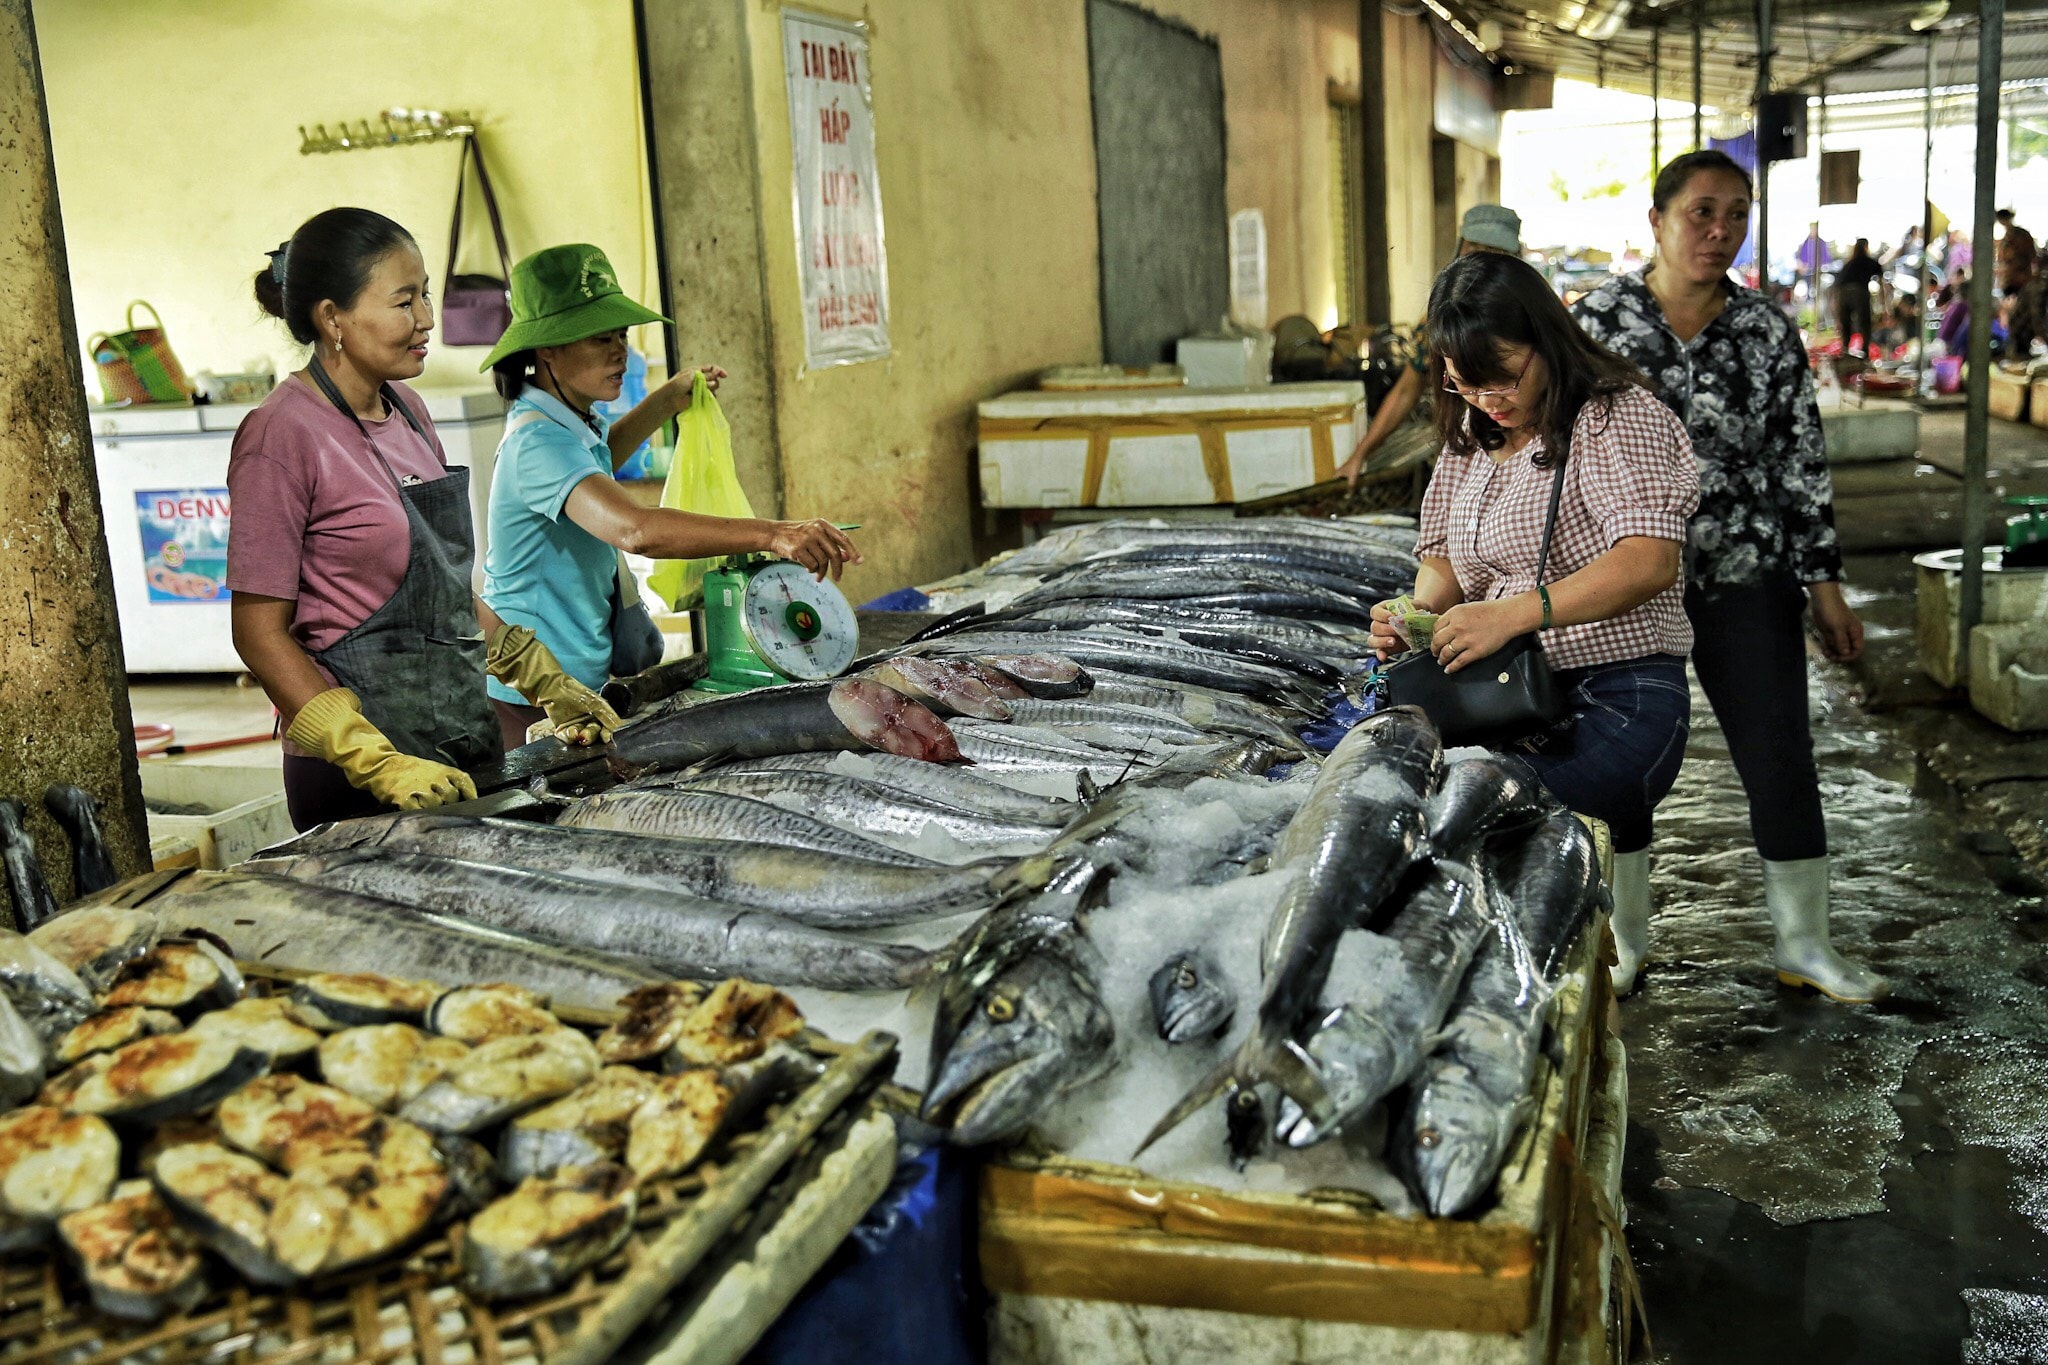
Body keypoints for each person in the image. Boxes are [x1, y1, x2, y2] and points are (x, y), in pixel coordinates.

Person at [1572, 150, 1887, 1004]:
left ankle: (1806, 944)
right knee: (1623, 759)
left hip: (1746, 568)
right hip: (1626, 582)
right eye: (1702, 212)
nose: (1720, 231)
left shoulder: (1765, 329)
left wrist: (1824, 584)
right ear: (1657, 220)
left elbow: (1799, 459)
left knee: (1779, 748)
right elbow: (1559, 453)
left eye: (1736, 215)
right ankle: (1621, 945)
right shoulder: (1596, 324)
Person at [229, 210, 620, 831]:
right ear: (333, 318)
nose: (427, 320)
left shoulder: (409, 410)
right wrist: (373, 760)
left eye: (427, 295)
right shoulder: (281, 435)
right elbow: (258, 633)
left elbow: (438, 586)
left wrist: (540, 675)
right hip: (356, 773)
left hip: (461, 745)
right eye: (403, 301)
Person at [1370, 252, 1698, 882]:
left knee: (1465, 834)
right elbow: (1444, 561)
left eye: (1501, 379)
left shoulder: (1613, 417)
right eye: (1463, 384)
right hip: (1506, 699)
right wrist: (1412, 619)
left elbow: (1649, 560)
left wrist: (1514, 614)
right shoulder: (1476, 433)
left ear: (1544, 340)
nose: (1485, 400)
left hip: (1615, 697)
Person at [478, 244, 860, 748]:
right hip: (531, 691)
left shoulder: (570, 422)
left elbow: (599, 461)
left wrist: (668, 400)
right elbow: (635, 530)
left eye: (622, 335)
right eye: (600, 338)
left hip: (582, 674)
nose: (620, 351)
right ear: (547, 349)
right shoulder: (537, 442)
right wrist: (775, 534)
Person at [1338, 204, 1524, 485]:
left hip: (1523, 459)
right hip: (1465, 460)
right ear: (1460, 248)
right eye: (1474, 248)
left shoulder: (1526, 316)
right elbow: (1406, 391)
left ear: (1513, 258)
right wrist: (1360, 455)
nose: (1482, 260)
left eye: (1495, 252)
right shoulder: (1438, 318)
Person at [1833, 238, 1882, 354]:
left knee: (1846, 324)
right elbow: (1882, 282)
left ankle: (1845, 350)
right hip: (1859, 291)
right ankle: (1864, 351)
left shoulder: (1849, 264)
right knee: (1864, 322)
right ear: (1866, 247)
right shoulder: (1869, 262)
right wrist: (1884, 304)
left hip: (1843, 293)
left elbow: (1837, 286)